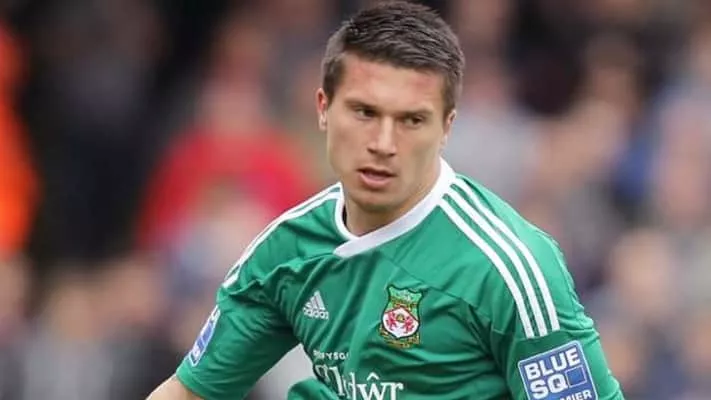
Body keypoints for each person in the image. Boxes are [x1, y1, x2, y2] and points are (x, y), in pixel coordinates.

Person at [147, 1, 625, 399]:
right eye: (364, 112)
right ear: (323, 109)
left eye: (411, 120)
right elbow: (190, 392)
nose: (383, 143)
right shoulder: (285, 252)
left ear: (447, 128)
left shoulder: (508, 268)